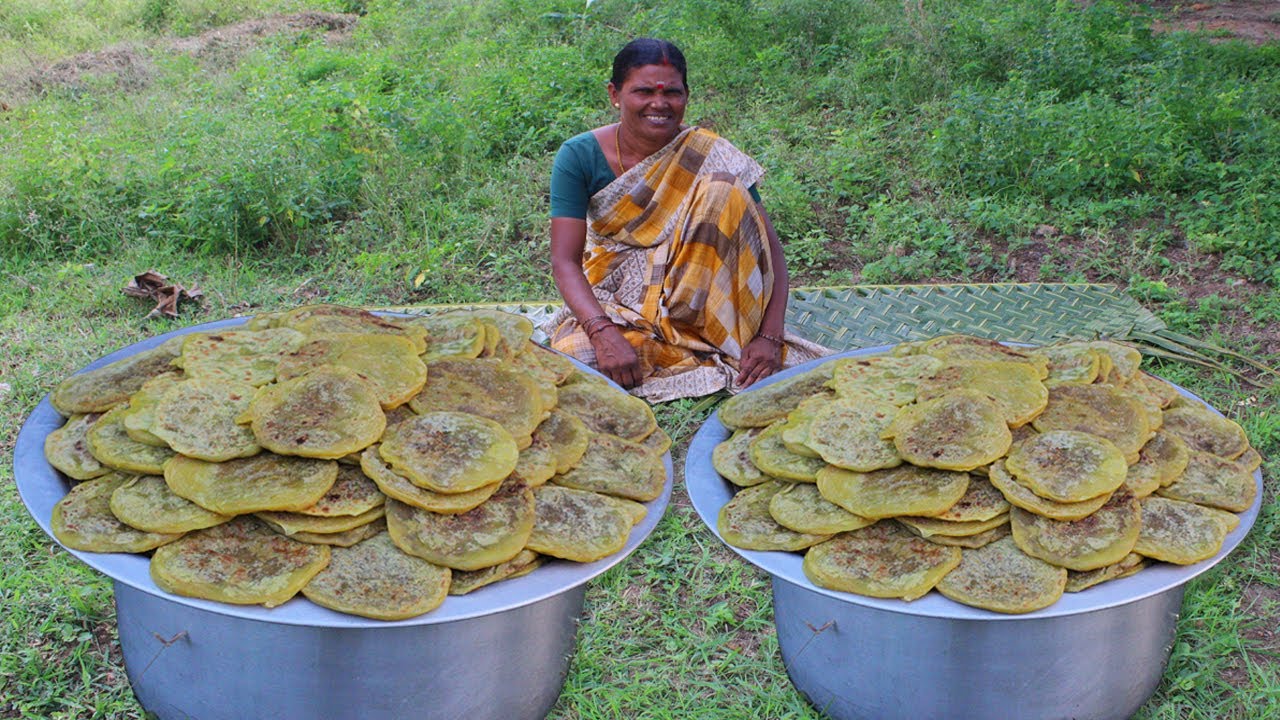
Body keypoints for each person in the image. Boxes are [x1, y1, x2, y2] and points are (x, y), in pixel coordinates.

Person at [544, 38, 827, 402]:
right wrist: (602, 332)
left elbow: (770, 251)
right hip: (618, 299)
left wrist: (770, 337)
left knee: (722, 189)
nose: (659, 104)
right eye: (643, 91)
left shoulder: (711, 154)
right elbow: (564, 261)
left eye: (672, 93)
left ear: (686, 96)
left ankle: (710, 345)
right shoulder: (579, 155)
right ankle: (708, 354)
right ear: (615, 94)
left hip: (702, 307)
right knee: (577, 361)